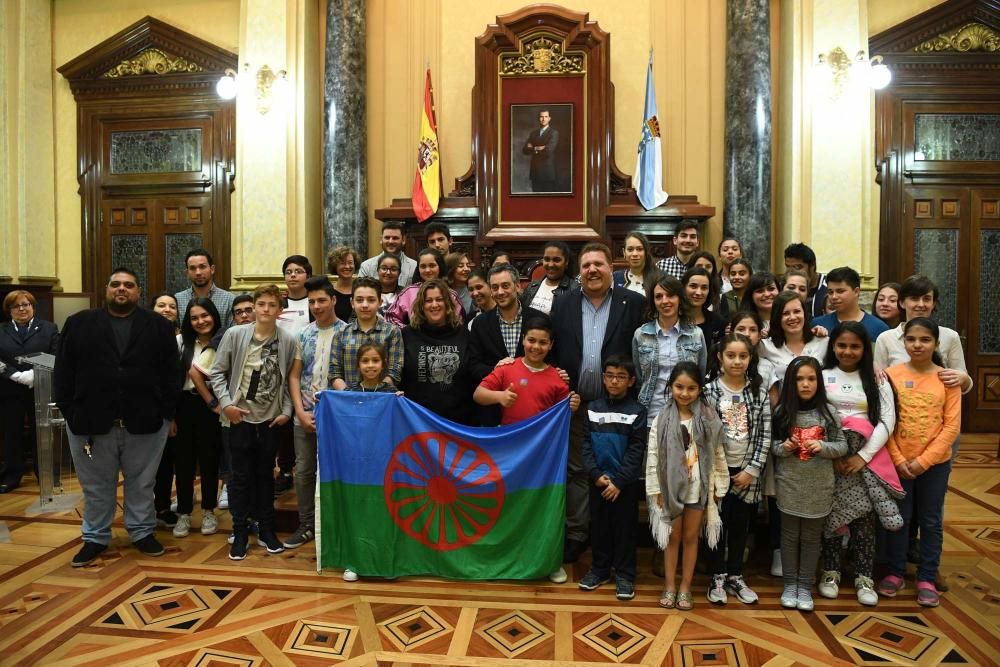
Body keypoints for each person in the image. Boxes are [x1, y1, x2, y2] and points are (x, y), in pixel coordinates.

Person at [55, 268, 180, 566]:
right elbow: (63, 373)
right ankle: (96, 537)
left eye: (128, 285)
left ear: (138, 292)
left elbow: (172, 374)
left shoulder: (158, 327)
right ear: (106, 289)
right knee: (96, 486)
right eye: (115, 284)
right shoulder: (79, 323)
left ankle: (141, 532)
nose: (121, 289)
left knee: (142, 483)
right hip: (90, 423)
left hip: (146, 422)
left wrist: (166, 413)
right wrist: (71, 413)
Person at [549, 243, 646, 563]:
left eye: (598, 264)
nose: (592, 270)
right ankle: (578, 533)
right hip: (577, 404)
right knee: (578, 470)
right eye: (586, 265)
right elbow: (553, 349)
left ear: (611, 268)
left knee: (616, 470)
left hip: (619, 405)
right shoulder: (562, 303)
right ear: (579, 271)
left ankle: (615, 540)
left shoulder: (633, 303)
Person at [473, 315, 579, 583]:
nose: (536, 346)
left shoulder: (557, 378)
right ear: (523, 340)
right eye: (531, 340)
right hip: (508, 453)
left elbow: (564, 412)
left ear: (551, 345)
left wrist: (573, 404)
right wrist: (499, 397)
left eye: (543, 342)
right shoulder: (507, 368)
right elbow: (478, 394)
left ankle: (548, 559)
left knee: (543, 506)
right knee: (508, 505)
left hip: (543, 459)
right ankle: (505, 556)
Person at [209, 284, 297, 560]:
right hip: (238, 419)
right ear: (255, 307)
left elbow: (287, 381)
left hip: (269, 420)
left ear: (279, 309)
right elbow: (217, 373)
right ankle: (240, 531)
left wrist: (286, 411)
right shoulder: (236, 335)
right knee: (239, 478)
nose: (266, 310)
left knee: (265, 477)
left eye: (272, 305)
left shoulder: (288, 340)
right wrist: (228, 406)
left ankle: (267, 529)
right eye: (262, 305)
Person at [879, 317, 961, 608]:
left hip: (934, 465)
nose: (917, 345)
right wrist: (900, 459)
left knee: (930, 520)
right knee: (898, 519)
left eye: (925, 340)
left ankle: (926, 576)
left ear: (936, 344)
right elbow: (885, 421)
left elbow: (951, 428)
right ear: (904, 342)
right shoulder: (891, 375)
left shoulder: (946, 379)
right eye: (912, 339)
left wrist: (924, 462)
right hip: (898, 462)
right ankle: (895, 571)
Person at [818, 322, 899, 607]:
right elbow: (816, 415)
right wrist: (836, 453)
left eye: (855, 346)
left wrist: (862, 457)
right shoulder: (823, 375)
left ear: (865, 349)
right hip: (830, 459)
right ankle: (830, 571)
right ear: (833, 347)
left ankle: (864, 576)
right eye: (841, 345)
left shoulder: (876, 379)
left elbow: (887, 420)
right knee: (831, 514)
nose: (847, 351)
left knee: (864, 518)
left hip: (867, 460)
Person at [646, 362, 728, 611]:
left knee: (691, 538)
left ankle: (685, 588)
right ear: (670, 387)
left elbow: (717, 452)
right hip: (670, 489)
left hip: (698, 488)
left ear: (699, 389)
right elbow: (652, 456)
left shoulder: (708, 416)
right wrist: (656, 490)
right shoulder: (662, 418)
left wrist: (718, 486)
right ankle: (670, 586)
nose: (684, 393)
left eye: (691, 388)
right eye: (679, 387)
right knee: (673, 538)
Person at [771, 356, 848, 611]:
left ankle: (805, 585)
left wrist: (823, 447)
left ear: (819, 381)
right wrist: (784, 447)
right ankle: (790, 584)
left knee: (812, 537)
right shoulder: (782, 412)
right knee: (790, 536)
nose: (805, 384)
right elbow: (772, 447)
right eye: (799, 379)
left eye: (811, 378)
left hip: (819, 486)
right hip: (790, 484)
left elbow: (842, 446)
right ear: (791, 383)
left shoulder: (828, 412)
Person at [704, 333, 772, 606]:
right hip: (717, 472)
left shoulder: (759, 392)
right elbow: (705, 434)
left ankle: (735, 574)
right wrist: (717, 472)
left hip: (747, 473)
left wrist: (751, 470)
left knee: (740, 525)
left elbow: (765, 435)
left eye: (743, 356)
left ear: (750, 359)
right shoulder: (709, 391)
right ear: (720, 358)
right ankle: (717, 574)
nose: (737, 361)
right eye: (731, 356)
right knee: (716, 524)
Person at [577, 355, 647, 601]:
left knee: (625, 530)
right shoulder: (592, 409)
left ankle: (625, 574)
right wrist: (596, 475)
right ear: (603, 378)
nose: (614, 381)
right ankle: (599, 570)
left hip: (623, 485)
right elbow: (585, 445)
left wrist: (618, 481)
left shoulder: (637, 412)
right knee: (599, 528)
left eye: (620, 377)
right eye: (610, 376)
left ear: (631, 381)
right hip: (599, 482)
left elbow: (636, 450)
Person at [285, 277, 346, 550]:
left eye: (322, 300)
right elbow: (295, 376)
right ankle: (307, 523)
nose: (317, 306)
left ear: (334, 300)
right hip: (306, 414)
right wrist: (299, 410)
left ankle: (334, 524)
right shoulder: (303, 334)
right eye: (312, 302)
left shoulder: (348, 333)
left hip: (337, 418)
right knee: (304, 471)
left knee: (335, 470)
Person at [171, 298, 224, 539]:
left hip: (211, 407)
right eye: (194, 318)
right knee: (182, 462)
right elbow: (171, 381)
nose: (201, 321)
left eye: (205, 315)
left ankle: (208, 511)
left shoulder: (223, 342)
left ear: (214, 315)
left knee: (210, 460)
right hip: (183, 405)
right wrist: (170, 415)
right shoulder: (181, 342)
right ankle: (183, 512)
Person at [468, 264, 545, 425]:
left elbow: (550, 360)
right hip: (493, 414)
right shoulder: (480, 324)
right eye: (495, 287)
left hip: (531, 412)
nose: (500, 292)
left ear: (517, 286)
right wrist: (497, 369)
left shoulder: (539, 320)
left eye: (505, 286)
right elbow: (473, 366)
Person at [0, 291, 59, 493]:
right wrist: (15, 375)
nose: (22, 309)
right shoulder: (1, 330)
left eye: (26, 304)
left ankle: (45, 475)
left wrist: (34, 374)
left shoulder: (49, 328)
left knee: (42, 433)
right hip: (9, 390)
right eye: (16, 306)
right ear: (9, 311)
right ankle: (11, 476)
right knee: (11, 434)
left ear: (33, 306)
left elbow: (56, 355)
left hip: (40, 388)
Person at [874, 274, 972, 395]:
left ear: (933, 303)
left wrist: (964, 379)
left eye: (926, 299)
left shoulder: (950, 336)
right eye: (914, 298)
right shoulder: (886, 339)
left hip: (938, 409)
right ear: (902, 303)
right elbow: (879, 383)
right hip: (897, 410)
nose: (921, 304)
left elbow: (963, 382)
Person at [633, 275, 707, 426]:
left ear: (680, 298)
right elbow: (639, 378)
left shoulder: (696, 334)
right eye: (659, 296)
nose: (665, 301)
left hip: (687, 414)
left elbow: (700, 374)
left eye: (670, 295)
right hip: (650, 414)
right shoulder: (641, 335)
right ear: (653, 302)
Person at [400, 279, 475, 424]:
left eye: (439, 299)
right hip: (416, 421)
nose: (434, 305)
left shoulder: (464, 334)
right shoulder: (406, 335)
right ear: (421, 306)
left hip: (458, 422)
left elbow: (473, 375)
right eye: (428, 301)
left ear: (447, 303)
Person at [274, 255, 312, 495]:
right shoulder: (279, 304)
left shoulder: (315, 302)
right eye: (289, 271)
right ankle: (285, 470)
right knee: (284, 425)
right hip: (280, 371)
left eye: (298, 271)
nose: (293, 275)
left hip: (308, 373)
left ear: (307, 275)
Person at [330, 278, 403, 391]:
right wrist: (350, 394)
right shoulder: (341, 333)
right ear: (352, 303)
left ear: (380, 302)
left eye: (371, 300)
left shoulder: (392, 332)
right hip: (350, 401)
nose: (365, 305)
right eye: (359, 300)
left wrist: (376, 393)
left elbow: (395, 370)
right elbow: (335, 372)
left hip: (382, 399)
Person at [760, 291, 829, 385]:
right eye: (785, 313)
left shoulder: (823, 342)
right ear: (777, 317)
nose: (792, 317)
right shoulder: (764, 346)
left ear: (804, 313)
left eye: (797, 311)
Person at [385, 248, 464, 327]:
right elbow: (390, 318)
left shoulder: (451, 295)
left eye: (432, 265)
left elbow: (459, 323)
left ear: (440, 266)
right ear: (418, 269)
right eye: (423, 266)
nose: (427, 270)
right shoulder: (409, 292)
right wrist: (408, 333)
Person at [810, 267, 889, 342]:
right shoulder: (818, 325)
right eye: (830, 292)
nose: (834, 297)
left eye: (840, 291)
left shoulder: (878, 328)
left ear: (856, 292)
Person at [174, 249, 236, 330]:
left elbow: (234, 333)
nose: (198, 272)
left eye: (202, 267)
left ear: (212, 269)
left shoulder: (229, 300)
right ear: (187, 273)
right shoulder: (178, 300)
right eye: (192, 268)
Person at [357, 221, 418, 287]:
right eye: (387, 237)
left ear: (403, 240)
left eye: (395, 238)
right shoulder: (367, 266)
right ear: (381, 239)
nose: (390, 241)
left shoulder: (414, 266)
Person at [522, 241, 575, 315]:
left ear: (566, 262)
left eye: (556, 260)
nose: (550, 265)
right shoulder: (532, 286)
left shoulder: (574, 289)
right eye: (547, 259)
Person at [682, 267, 724, 350]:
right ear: (683, 288)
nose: (698, 292)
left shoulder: (718, 322)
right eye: (693, 286)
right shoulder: (672, 319)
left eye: (704, 288)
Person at [783, 243, 827, 319]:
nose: (791, 271)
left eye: (797, 267)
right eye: (788, 267)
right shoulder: (783, 286)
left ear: (812, 266)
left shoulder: (828, 287)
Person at [521, 108, 560, 192]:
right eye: (541, 117)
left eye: (546, 117)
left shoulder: (553, 133)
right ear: (539, 118)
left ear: (549, 118)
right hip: (535, 172)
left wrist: (533, 147)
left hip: (547, 173)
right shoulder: (533, 133)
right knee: (535, 201)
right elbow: (525, 150)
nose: (543, 119)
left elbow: (548, 151)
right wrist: (539, 147)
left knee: (547, 201)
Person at [740, 272, 779, 338]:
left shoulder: (788, 320)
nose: (767, 294)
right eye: (760, 291)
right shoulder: (741, 323)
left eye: (771, 289)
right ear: (751, 296)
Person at [327, 245, 360, 323]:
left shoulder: (362, 289)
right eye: (342, 263)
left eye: (350, 263)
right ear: (335, 266)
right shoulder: (329, 291)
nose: (347, 266)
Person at [445, 251, 475, 318]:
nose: (466, 269)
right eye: (460, 266)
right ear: (451, 270)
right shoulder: (443, 291)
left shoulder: (474, 289)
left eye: (468, 265)